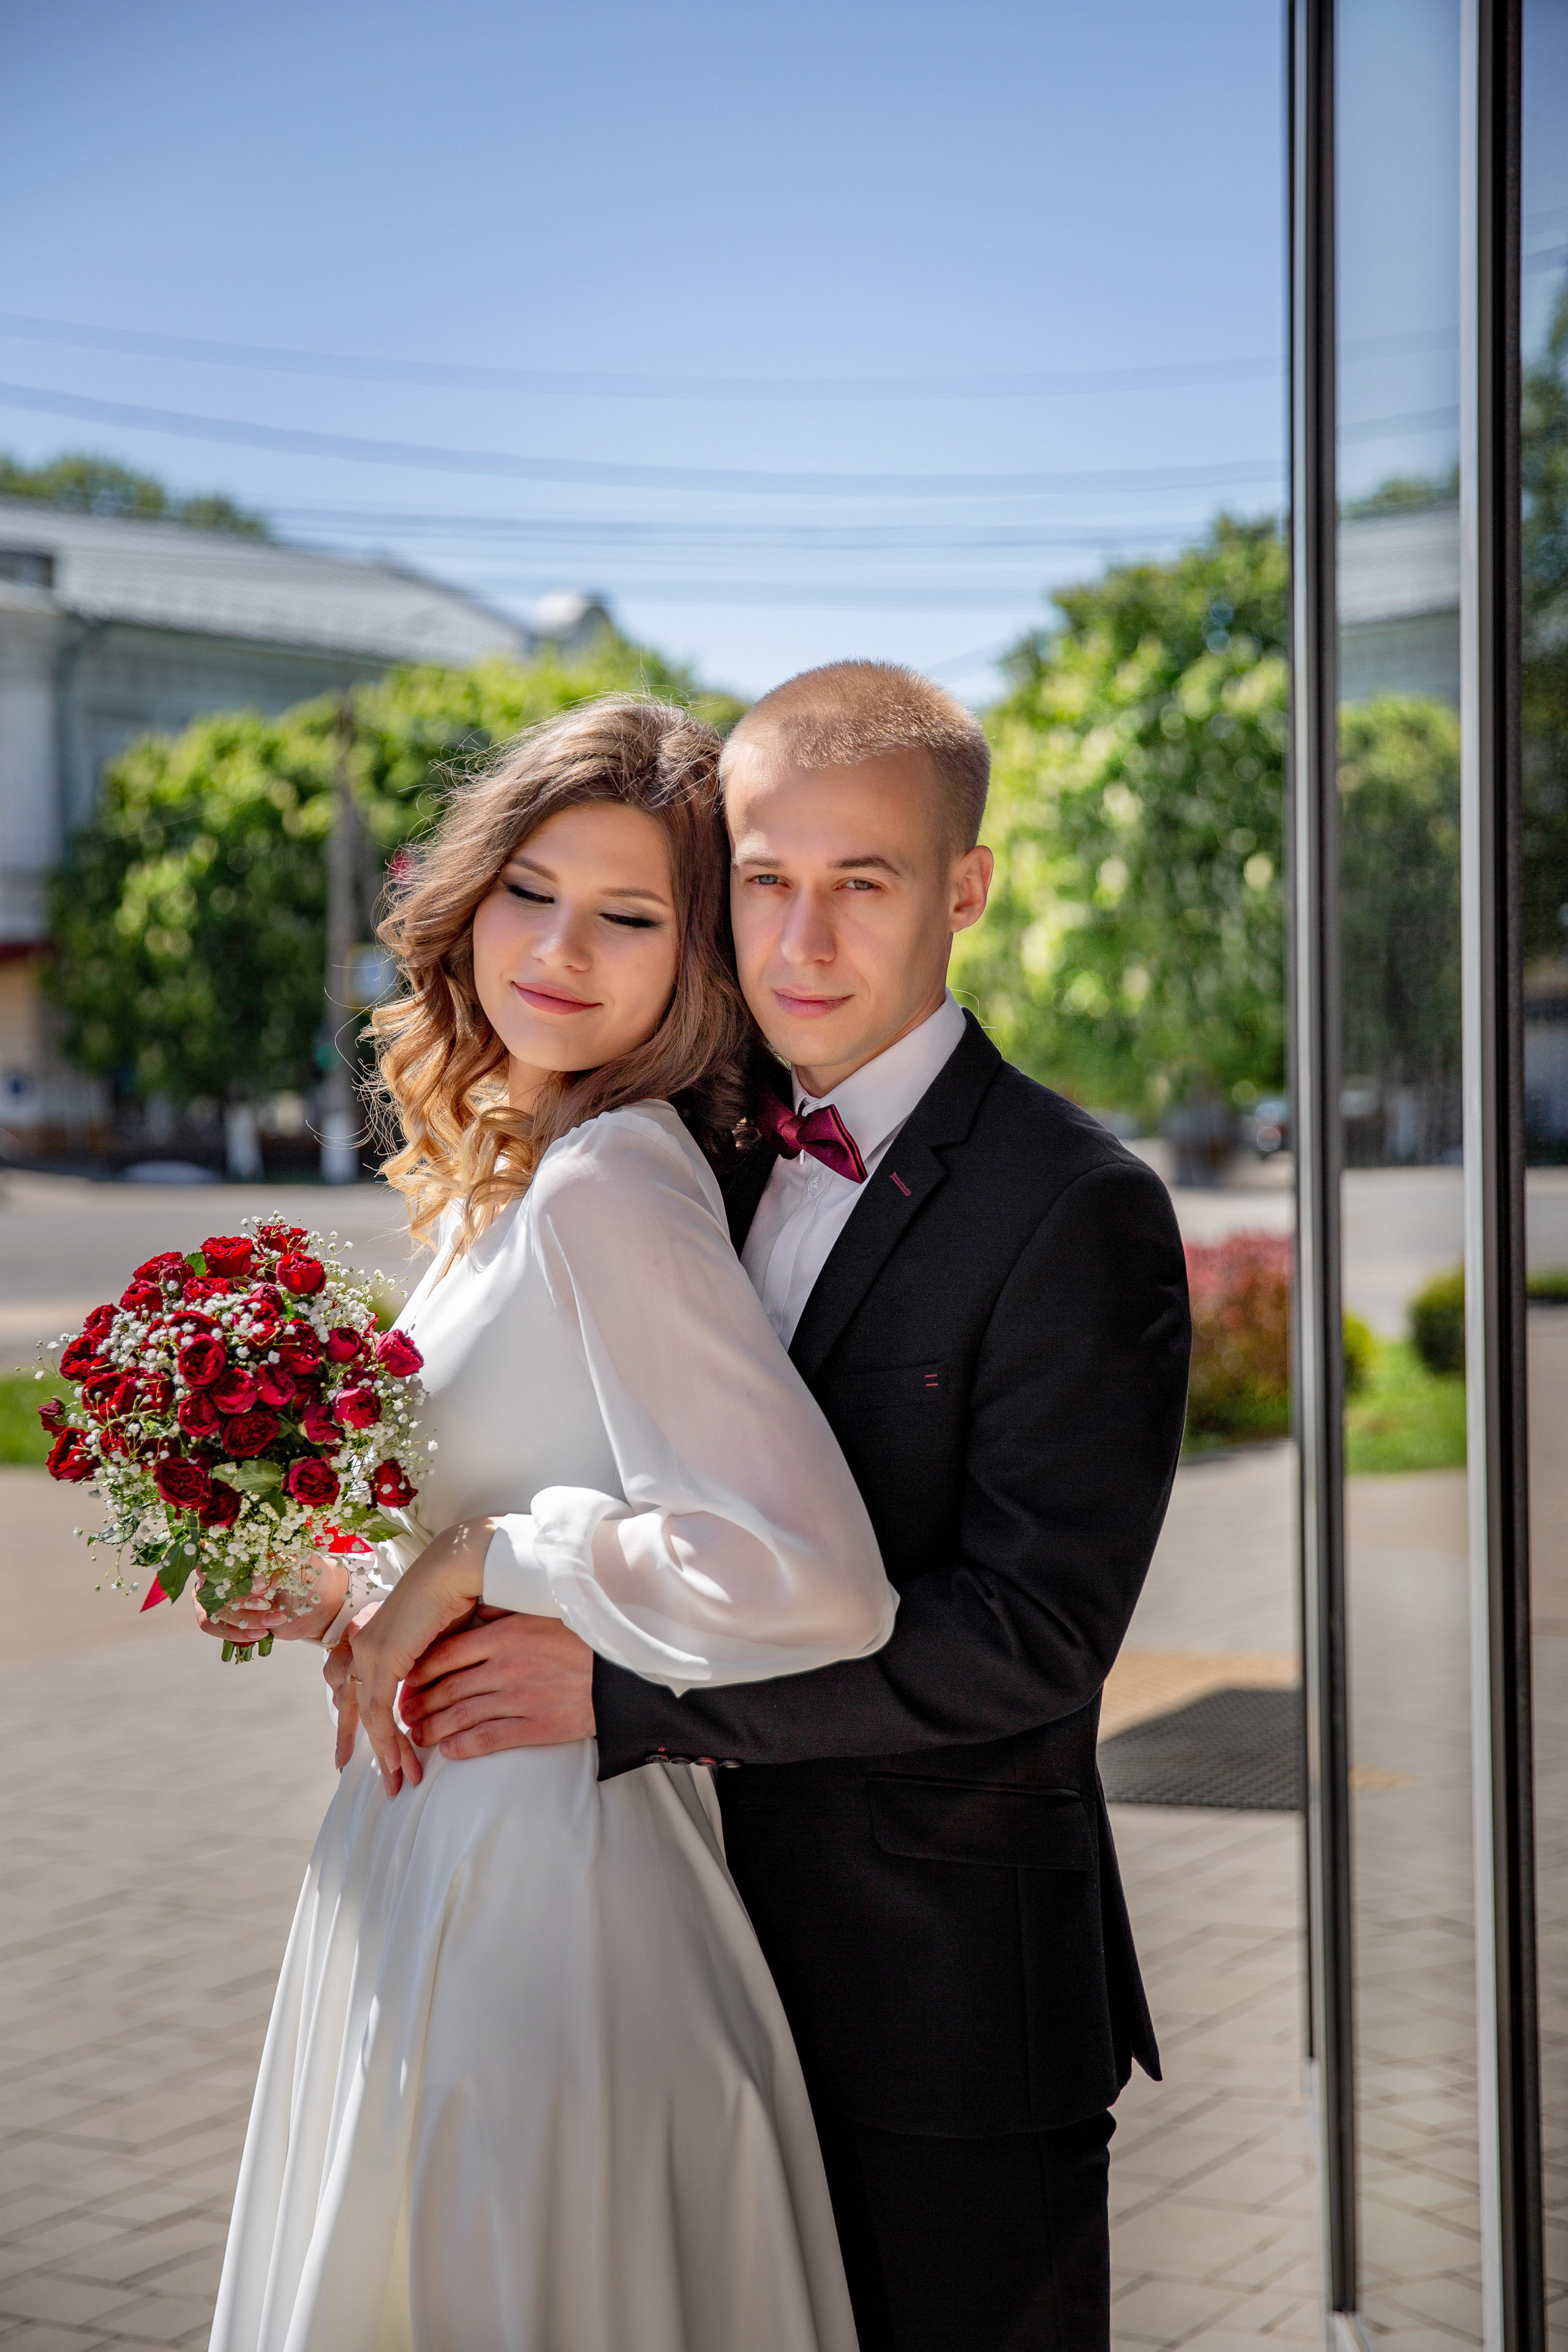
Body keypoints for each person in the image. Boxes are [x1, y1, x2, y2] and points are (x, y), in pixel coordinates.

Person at [379, 661, 1193, 2352]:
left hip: (939, 1995)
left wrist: (626, 1693)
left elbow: (1032, 1636)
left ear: (964, 889)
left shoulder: (1077, 1206)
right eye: (764, 883)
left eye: (864, 884)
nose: (803, 943)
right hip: (665, 1956)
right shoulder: (687, 1139)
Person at [205, 696, 899, 2352]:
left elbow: (819, 1578)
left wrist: (478, 1561)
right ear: (471, 900)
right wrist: (349, 1584)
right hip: (428, 1846)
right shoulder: (517, 1170)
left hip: (545, 1895)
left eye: (632, 914)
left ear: (694, 964)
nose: (564, 949)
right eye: (532, 890)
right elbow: (520, 1472)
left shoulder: (615, 1184)